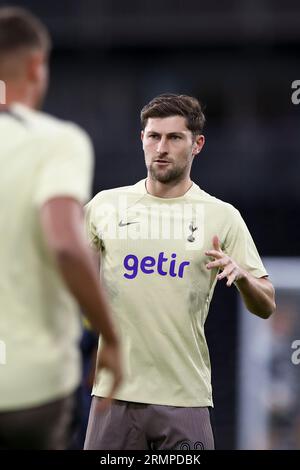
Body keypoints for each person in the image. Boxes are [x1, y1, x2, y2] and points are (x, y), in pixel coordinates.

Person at [84, 93, 276, 450]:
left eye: (174, 138)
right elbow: (71, 278)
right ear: (141, 138)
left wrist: (244, 276)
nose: (161, 147)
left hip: (184, 397)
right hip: (114, 397)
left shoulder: (221, 216)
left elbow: (266, 304)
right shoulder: (104, 206)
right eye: (153, 136)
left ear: (197, 144)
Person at [0, 7, 122, 450]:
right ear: (36, 66)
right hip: (31, 390)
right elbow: (67, 247)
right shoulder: (57, 143)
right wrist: (112, 338)